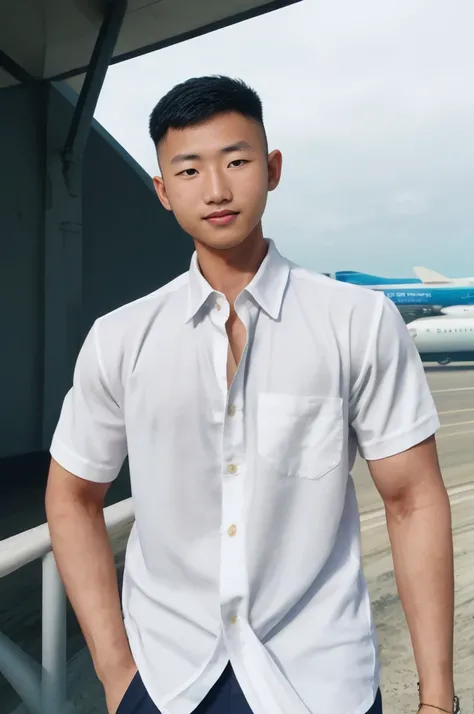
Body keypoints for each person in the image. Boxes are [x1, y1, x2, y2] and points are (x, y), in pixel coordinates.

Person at [45, 76, 456, 714]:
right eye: (188, 170)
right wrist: (116, 672)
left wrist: (436, 699)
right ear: (162, 190)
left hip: (319, 684)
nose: (216, 189)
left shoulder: (358, 321)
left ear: (272, 168)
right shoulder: (119, 339)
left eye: (237, 161)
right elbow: (72, 497)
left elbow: (412, 500)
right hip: (164, 681)